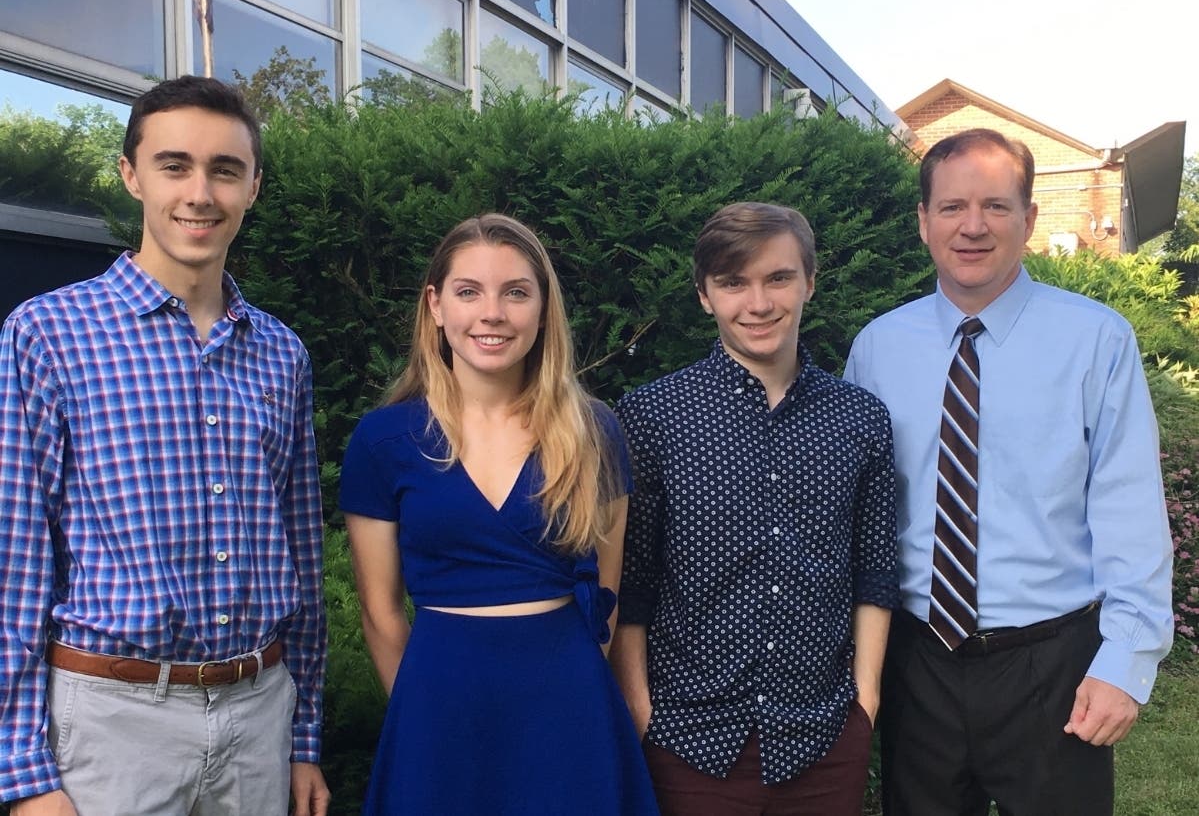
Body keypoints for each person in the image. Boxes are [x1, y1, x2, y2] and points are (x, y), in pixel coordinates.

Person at [0, 76, 329, 816]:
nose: (199, 193)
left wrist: (304, 735)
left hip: (258, 716)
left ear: (253, 187)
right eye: (174, 165)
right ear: (131, 175)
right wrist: (23, 770)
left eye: (225, 170)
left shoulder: (281, 354)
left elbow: (302, 555)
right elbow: (15, 558)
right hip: (112, 725)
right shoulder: (49, 335)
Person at [844, 127, 1174, 815]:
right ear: (923, 222)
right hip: (917, 663)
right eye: (952, 207)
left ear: (1028, 219)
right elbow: (858, 510)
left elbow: (1129, 508)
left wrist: (1126, 662)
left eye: (995, 205)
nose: (973, 226)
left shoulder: (1095, 340)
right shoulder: (877, 349)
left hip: (1052, 665)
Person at [338, 213, 659, 815]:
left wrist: (569, 693)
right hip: (439, 705)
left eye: (515, 292)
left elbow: (607, 598)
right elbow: (380, 612)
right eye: (469, 292)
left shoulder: (594, 433)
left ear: (543, 309)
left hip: (568, 705)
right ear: (435, 305)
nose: (492, 313)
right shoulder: (383, 441)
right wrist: (422, 715)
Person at [610, 202, 899, 815]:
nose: (759, 303)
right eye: (733, 282)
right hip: (687, 737)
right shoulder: (654, 416)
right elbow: (633, 579)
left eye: (779, 278)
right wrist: (639, 704)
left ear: (810, 282)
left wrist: (865, 701)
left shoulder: (860, 418)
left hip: (823, 737)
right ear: (704, 295)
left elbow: (874, 569)